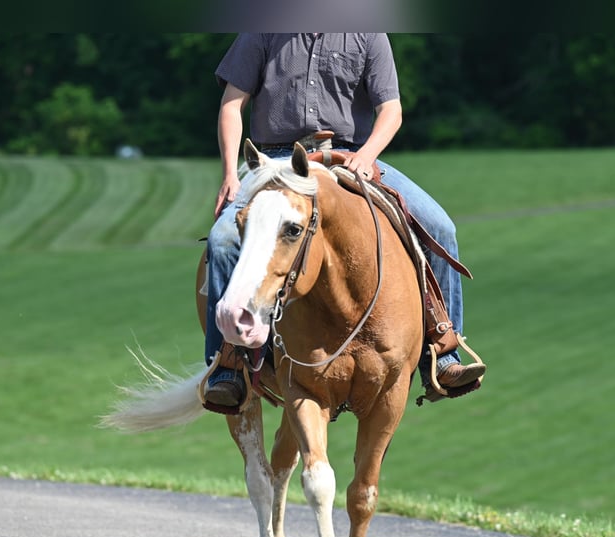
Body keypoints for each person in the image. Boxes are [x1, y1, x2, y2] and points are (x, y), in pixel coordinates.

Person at [204, 33, 485, 409]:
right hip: (276, 160)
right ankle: (228, 365)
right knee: (223, 240)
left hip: (349, 155)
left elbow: (391, 110)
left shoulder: (369, 34)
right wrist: (229, 174)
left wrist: (368, 155)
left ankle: (442, 353)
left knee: (440, 227)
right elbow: (230, 106)